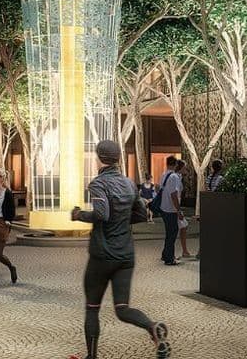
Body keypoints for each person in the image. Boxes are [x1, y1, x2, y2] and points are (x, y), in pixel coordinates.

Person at [70, 139, 171, 359]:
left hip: (102, 256)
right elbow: (142, 214)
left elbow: (101, 214)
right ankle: (152, 327)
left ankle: (91, 356)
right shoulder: (128, 183)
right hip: (126, 254)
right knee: (122, 308)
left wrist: (79, 215)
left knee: (92, 307)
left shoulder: (98, 183)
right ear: (118, 158)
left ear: (99, 157)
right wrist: (122, 221)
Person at [159, 155, 183, 267]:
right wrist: (179, 210)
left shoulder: (164, 174)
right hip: (170, 209)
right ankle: (169, 258)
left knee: (169, 232)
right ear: (176, 164)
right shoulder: (174, 176)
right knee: (172, 233)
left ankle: (166, 254)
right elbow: (174, 195)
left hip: (164, 207)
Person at [174, 160, 192, 258]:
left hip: (175, 207)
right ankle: (183, 251)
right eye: (185, 167)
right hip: (174, 208)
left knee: (183, 226)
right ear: (180, 168)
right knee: (179, 228)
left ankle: (184, 251)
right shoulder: (176, 178)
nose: (186, 169)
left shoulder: (179, 177)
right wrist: (178, 210)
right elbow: (175, 194)